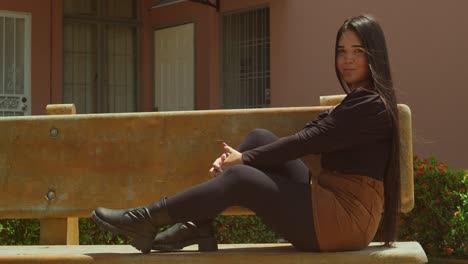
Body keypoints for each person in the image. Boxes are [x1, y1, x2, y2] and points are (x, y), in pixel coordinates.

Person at [91, 14, 401, 253]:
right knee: (259, 137)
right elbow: (314, 134)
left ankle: (145, 219)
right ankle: (196, 226)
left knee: (242, 177)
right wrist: (245, 155)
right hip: (331, 203)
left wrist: (242, 161)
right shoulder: (363, 100)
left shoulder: (370, 104)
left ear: (373, 55)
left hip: (343, 223)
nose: (347, 59)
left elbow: (309, 141)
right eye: (341, 50)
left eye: (357, 51)